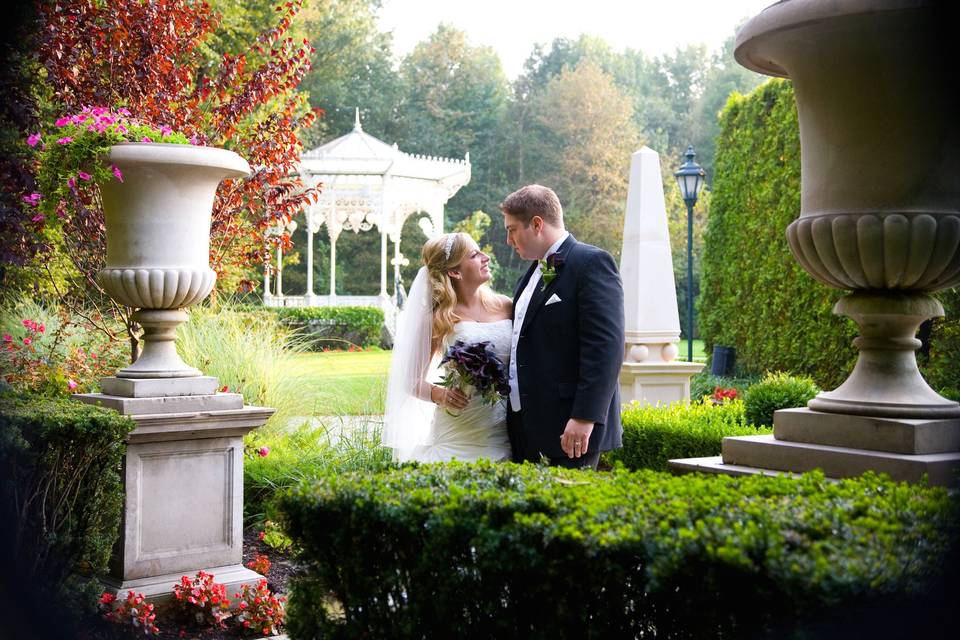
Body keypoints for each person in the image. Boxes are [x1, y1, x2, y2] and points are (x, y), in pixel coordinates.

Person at [501, 184, 625, 469]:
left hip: (569, 430)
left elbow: (606, 347)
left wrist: (585, 417)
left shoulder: (591, 263)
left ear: (536, 224)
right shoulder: (541, 268)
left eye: (512, 229)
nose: (509, 239)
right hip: (526, 428)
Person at [383, 232, 514, 462]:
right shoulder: (437, 319)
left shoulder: (505, 306)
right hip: (458, 427)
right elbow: (410, 381)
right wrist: (440, 394)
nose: (485, 257)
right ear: (454, 272)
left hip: (500, 429)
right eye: (474, 255)